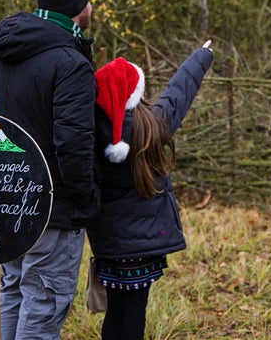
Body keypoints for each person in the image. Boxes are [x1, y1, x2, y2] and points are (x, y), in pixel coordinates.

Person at [0, 0, 99, 339]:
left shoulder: (3, 56)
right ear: (79, 8)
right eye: (89, 1)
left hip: (7, 200)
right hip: (53, 208)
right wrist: (84, 199)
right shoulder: (71, 64)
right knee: (45, 301)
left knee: (15, 289)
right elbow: (73, 144)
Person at [87, 41, 214, 340]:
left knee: (115, 309)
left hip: (109, 245)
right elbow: (178, 93)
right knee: (133, 312)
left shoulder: (89, 133)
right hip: (144, 247)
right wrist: (201, 56)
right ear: (136, 93)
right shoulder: (154, 125)